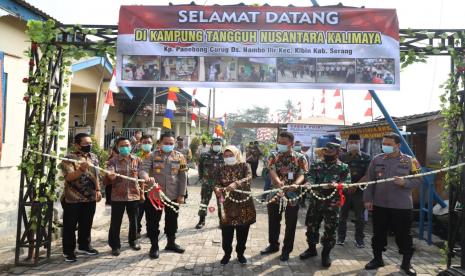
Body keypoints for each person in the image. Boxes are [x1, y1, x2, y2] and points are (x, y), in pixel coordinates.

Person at [363, 132, 422, 276]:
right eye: (384, 144)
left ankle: (406, 264)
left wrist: (405, 183)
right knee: (378, 234)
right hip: (380, 204)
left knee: (403, 236)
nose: (385, 147)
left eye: (389, 144)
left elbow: (420, 179)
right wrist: (367, 199)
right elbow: (370, 181)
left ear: (398, 145)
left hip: (401, 206)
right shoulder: (376, 160)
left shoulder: (411, 161)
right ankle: (377, 259)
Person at [299, 142, 351, 268]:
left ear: (338, 152)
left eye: (330, 151)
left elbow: (347, 183)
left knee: (330, 229)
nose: (327, 153)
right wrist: (309, 183)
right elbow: (310, 176)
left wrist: (338, 185)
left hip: (332, 203)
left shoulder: (343, 167)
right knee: (311, 226)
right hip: (316, 202)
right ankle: (311, 249)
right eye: (326, 151)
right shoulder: (317, 164)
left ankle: (326, 254)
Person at [139, 131, 188, 259]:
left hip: (173, 196)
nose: (168, 145)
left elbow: (183, 177)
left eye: (171, 143)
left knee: (172, 221)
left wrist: (182, 194)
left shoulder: (180, 156)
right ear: (160, 143)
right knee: (152, 222)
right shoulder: (151, 156)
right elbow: (143, 169)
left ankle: (171, 243)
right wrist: (146, 177)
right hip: (155, 195)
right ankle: (154, 246)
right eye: (166, 143)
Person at [260, 131, 308, 262]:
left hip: (292, 195)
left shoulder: (300, 157)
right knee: (273, 221)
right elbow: (271, 170)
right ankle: (273, 245)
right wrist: (277, 181)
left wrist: (296, 184)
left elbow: (303, 173)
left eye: (284, 143)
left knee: (291, 223)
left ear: (291, 144)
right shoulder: (273, 155)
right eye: (279, 142)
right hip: (275, 192)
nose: (280, 145)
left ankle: (287, 250)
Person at [60, 133, 102, 262]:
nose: (89, 146)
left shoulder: (93, 157)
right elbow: (69, 177)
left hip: (89, 197)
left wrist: (98, 190)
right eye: (85, 144)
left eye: (90, 143)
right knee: (70, 226)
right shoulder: (69, 158)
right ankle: (68, 251)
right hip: (73, 198)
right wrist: (81, 170)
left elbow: (96, 175)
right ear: (77, 145)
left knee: (86, 223)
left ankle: (84, 246)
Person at [214, 145, 256, 265]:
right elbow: (216, 183)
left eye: (231, 155)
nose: (228, 158)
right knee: (226, 232)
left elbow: (249, 178)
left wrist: (236, 184)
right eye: (226, 156)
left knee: (242, 231)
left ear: (237, 154)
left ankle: (240, 254)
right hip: (227, 204)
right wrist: (217, 189)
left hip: (243, 203)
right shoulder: (220, 168)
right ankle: (227, 254)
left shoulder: (244, 165)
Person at [106, 137, 144, 256]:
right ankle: (115, 245)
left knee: (134, 221)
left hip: (134, 195)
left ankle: (133, 241)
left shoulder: (137, 160)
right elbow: (110, 175)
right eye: (122, 146)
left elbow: (141, 177)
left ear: (131, 146)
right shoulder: (113, 161)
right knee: (116, 222)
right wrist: (110, 175)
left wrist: (142, 193)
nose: (125, 148)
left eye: (127, 145)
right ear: (117, 147)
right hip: (118, 196)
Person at [337, 134, 371, 248]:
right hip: (344, 191)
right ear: (347, 143)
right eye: (351, 142)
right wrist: (347, 185)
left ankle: (359, 239)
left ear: (360, 143)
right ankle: (341, 238)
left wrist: (355, 185)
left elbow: (368, 174)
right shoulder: (342, 157)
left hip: (359, 191)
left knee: (360, 217)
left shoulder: (366, 157)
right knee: (342, 215)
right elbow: (338, 173)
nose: (353, 144)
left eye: (356, 142)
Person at [195, 138, 224, 229]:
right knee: (204, 202)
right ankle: (201, 220)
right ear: (212, 144)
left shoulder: (224, 156)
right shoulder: (204, 155)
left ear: (221, 145)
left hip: (220, 184)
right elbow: (200, 167)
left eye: (219, 144)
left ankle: (222, 221)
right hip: (207, 183)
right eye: (215, 143)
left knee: (221, 203)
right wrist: (201, 178)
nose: (217, 145)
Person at [135, 134, 154, 238]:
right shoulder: (136, 156)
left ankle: (150, 231)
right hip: (138, 189)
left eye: (149, 143)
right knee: (138, 212)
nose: (147, 144)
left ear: (152, 144)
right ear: (140, 143)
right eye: (145, 142)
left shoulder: (156, 156)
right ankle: (136, 231)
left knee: (151, 212)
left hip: (152, 189)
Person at [293, 141, 310, 208]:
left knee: (303, 188)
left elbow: (307, 165)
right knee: (294, 187)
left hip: (303, 174)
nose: (297, 147)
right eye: (296, 145)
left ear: (301, 146)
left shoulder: (305, 155)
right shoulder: (292, 154)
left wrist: (306, 173)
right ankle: (295, 200)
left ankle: (302, 202)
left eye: (299, 145)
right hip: (293, 174)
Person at [175, 136, 192, 200]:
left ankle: (184, 195)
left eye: (181, 140)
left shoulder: (187, 149)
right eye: (179, 140)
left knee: (184, 180)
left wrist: (187, 165)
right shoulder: (174, 149)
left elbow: (190, 158)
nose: (180, 141)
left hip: (184, 166)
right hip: (175, 167)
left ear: (183, 141)